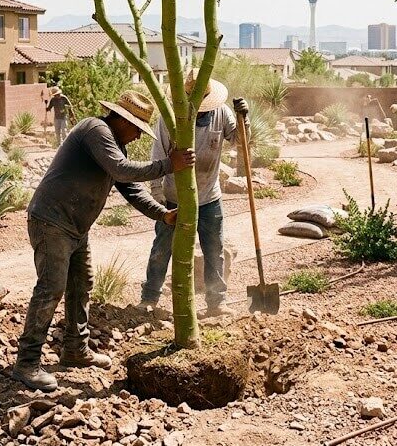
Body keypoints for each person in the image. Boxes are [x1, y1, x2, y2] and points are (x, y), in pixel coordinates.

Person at [12, 90, 195, 392]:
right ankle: (27, 364)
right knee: (51, 289)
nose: (138, 136)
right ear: (122, 120)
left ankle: (74, 350)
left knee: (81, 284)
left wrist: (163, 215)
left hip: (75, 227)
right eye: (137, 128)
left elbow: (131, 188)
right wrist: (168, 164)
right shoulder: (95, 130)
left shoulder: (114, 145)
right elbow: (121, 171)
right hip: (52, 221)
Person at [140, 74, 248, 318]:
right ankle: (149, 298)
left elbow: (240, 141)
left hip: (210, 196)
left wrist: (244, 118)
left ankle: (216, 302)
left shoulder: (221, 113)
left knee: (214, 250)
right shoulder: (171, 120)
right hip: (173, 198)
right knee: (162, 248)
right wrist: (157, 196)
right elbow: (158, 158)